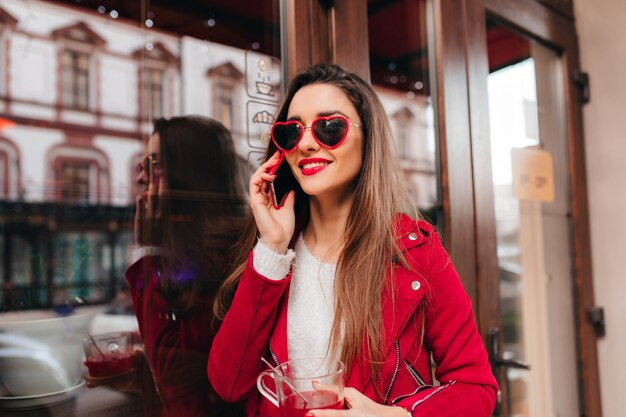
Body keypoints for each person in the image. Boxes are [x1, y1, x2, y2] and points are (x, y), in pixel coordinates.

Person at [208, 64, 498, 417]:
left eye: (330, 127)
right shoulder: (274, 252)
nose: (307, 143)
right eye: (291, 131)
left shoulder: (415, 251)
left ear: (368, 139)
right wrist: (272, 248)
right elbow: (228, 383)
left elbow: (476, 387)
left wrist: (398, 416)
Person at [126, 115, 247, 416]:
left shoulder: (223, 257)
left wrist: (149, 249)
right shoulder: (182, 254)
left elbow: (174, 377)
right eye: (141, 167)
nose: (141, 178)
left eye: (152, 166)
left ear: (188, 175)